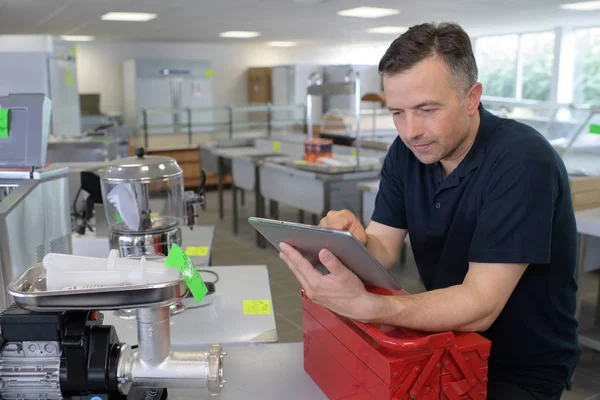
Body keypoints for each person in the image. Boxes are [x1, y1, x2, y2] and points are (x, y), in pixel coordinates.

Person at [278, 22, 580, 400]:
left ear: (471, 98)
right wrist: (347, 244)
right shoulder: (407, 153)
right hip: (448, 344)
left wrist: (371, 306)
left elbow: (480, 305)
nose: (410, 130)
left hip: (520, 366)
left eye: (427, 109)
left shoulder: (522, 161)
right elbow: (383, 250)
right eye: (398, 113)